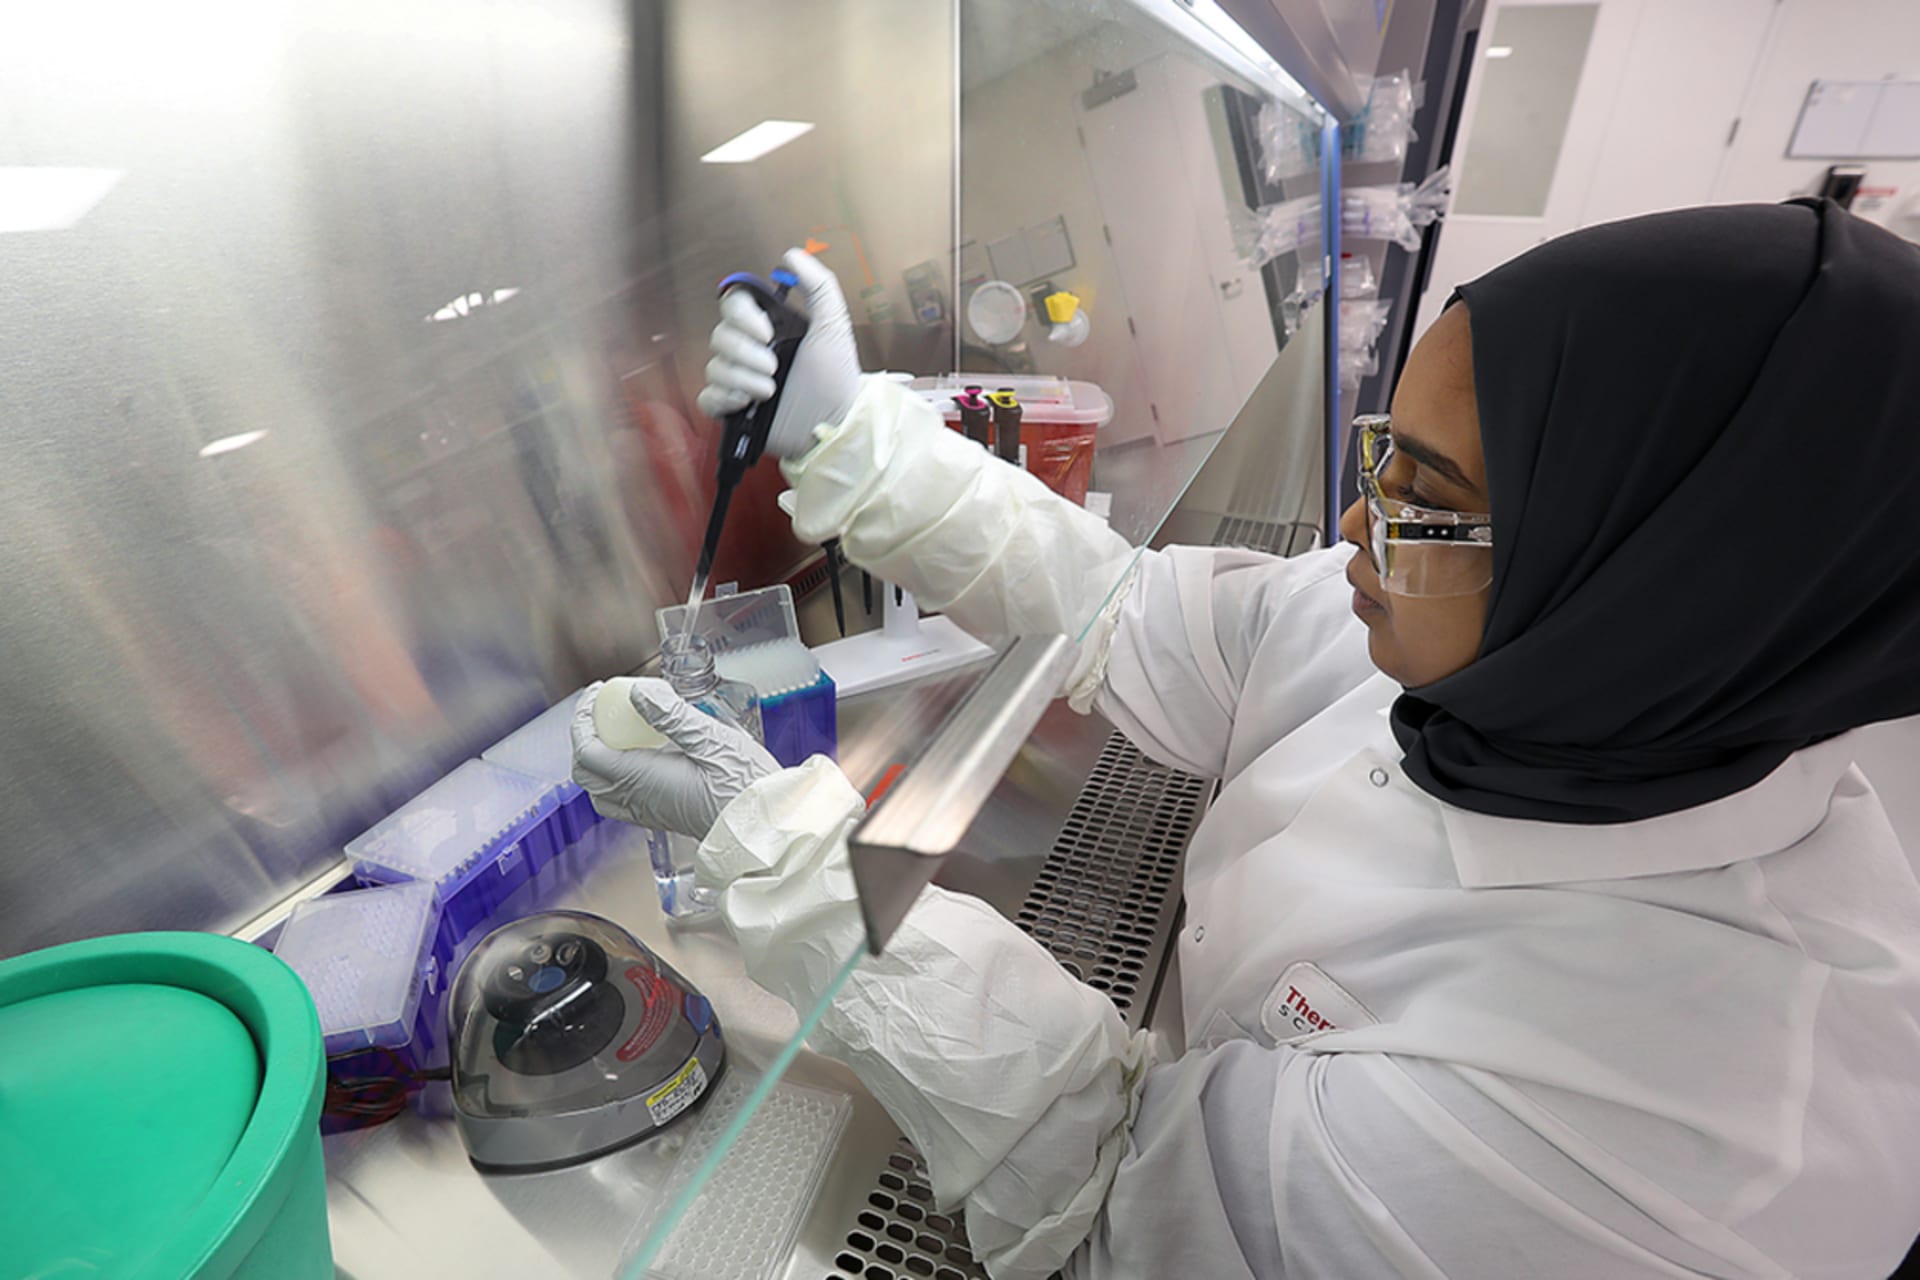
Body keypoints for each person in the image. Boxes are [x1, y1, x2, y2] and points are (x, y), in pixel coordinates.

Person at [572, 200, 1920, 1279]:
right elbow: (1128, 610)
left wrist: (789, 845)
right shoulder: (1554, 670)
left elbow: (1117, 1203)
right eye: (1384, 453)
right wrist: (851, 439)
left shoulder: (1674, 1139)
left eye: (1426, 496)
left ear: (1648, 580)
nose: (1354, 526)